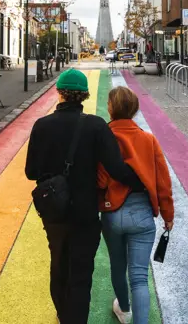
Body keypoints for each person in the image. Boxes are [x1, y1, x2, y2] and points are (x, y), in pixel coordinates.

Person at [25, 69, 142, 324]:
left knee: (58, 264)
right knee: (81, 273)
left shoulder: (41, 125)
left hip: (54, 212)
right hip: (85, 212)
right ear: (84, 96)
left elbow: (31, 172)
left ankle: (62, 315)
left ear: (60, 92)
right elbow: (116, 169)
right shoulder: (96, 126)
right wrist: (143, 182)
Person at [98, 87, 174, 324]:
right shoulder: (148, 139)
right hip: (142, 215)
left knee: (117, 267)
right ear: (134, 109)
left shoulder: (104, 139)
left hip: (112, 213)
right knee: (140, 277)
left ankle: (124, 309)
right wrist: (167, 215)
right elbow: (163, 181)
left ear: (110, 108)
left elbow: (99, 180)